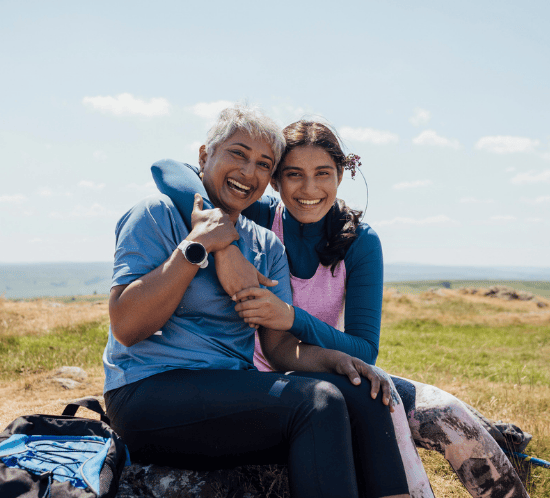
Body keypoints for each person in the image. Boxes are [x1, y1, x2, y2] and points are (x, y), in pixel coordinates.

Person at [152, 119, 531, 498]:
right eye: (294, 175)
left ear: (340, 176)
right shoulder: (259, 216)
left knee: (447, 412)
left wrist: (291, 318)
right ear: (275, 181)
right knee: (373, 404)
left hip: (327, 365)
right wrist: (224, 244)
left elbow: (365, 349)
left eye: (323, 174)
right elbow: (169, 169)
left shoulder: (360, 242)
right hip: (263, 379)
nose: (309, 188)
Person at [104, 104, 410, 498]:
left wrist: (338, 362)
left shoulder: (266, 246)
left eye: (264, 164)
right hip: (147, 394)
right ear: (203, 156)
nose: (249, 173)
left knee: (359, 394)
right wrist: (201, 247)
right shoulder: (156, 214)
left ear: (270, 179)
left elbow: (279, 349)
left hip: (227, 392)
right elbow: (127, 329)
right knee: (316, 402)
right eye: (237, 154)